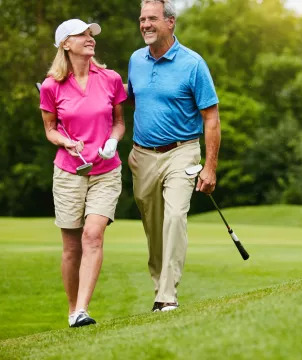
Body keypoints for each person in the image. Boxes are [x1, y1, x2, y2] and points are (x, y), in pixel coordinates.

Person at [127, 0, 221, 312]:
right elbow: (124, 98)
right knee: (153, 227)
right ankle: (160, 286)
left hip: (182, 152)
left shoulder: (193, 64)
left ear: (171, 23)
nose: (145, 25)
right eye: (142, 19)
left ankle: (167, 296)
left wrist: (209, 167)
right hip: (142, 156)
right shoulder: (135, 61)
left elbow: (211, 119)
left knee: (175, 217)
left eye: (152, 18)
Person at [39, 18, 127, 327]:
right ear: (65, 44)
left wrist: (114, 141)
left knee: (93, 235)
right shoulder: (51, 86)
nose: (89, 38)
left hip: (105, 170)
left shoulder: (111, 78)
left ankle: (82, 310)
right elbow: (50, 130)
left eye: (91, 34)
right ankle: (72, 309)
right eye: (82, 35)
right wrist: (66, 141)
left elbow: (119, 121)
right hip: (68, 172)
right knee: (71, 247)